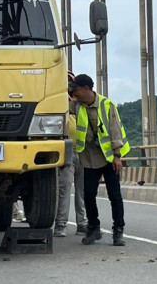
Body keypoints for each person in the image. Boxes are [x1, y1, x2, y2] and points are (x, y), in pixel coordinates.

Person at [69, 73, 130, 246]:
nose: (74, 94)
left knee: (115, 196)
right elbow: (61, 104)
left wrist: (117, 156)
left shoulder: (106, 104)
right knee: (88, 194)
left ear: (87, 89)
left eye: (76, 90)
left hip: (109, 157)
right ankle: (93, 228)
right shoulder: (76, 105)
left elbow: (115, 130)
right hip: (89, 158)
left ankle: (118, 231)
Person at [54, 71, 88, 237]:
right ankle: (60, 224)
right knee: (64, 189)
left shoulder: (83, 104)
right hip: (66, 151)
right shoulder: (57, 103)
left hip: (83, 152)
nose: (69, 90)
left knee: (82, 191)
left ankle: (82, 223)